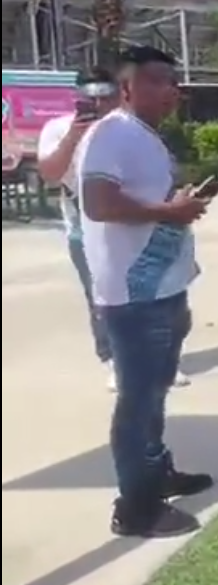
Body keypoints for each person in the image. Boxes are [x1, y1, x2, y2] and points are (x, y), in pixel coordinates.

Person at [75, 46, 215, 537]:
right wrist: (169, 211)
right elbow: (97, 202)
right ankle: (136, 507)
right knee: (137, 402)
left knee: (154, 394)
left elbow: (139, 200)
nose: (169, 90)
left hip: (163, 289)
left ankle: (156, 473)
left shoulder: (143, 135)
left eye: (172, 81)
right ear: (127, 87)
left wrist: (177, 205)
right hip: (135, 295)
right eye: (156, 81)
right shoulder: (112, 133)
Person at [36, 70, 121, 390]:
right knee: (100, 295)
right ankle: (113, 358)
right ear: (78, 98)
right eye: (91, 99)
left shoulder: (130, 129)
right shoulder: (58, 129)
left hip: (133, 221)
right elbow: (50, 174)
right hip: (83, 226)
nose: (99, 105)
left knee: (149, 293)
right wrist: (74, 136)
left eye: (106, 98)